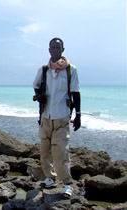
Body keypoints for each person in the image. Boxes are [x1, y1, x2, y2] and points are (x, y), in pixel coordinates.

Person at [33, 38, 81, 199]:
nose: (54, 49)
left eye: (57, 47)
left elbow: (75, 92)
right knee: (45, 151)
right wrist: (39, 96)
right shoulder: (44, 69)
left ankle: (67, 183)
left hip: (62, 116)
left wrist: (78, 115)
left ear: (62, 49)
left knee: (60, 152)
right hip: (46, 116)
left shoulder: (70, 70)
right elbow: (36, 85)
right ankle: (50, 178)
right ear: (49, 50)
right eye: (52, 47)